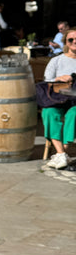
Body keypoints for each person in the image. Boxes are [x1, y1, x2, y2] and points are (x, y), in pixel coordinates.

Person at [42, 26, 76, 169]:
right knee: (49, 112)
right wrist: (58, 78)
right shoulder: (56, 60)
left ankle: (62, 152)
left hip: (75, 100)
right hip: (57, 98)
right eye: (71, 39)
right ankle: (62, 154)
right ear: (65, 42)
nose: (74, 41)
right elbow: (47, 80)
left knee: (74, 113)